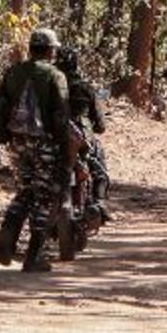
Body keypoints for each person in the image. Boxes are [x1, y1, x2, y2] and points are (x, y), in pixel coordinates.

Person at [0, 28, 71, 273]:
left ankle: (8, 231)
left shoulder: (13, 72)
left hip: (16, 143)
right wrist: (64, 148)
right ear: (50, 51)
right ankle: (34, 255)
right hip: (45, 144)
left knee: (24, 191)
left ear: (31, 48)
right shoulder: (55, 76)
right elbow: (61, 114)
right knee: (43, 196)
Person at [54, 47, 110, 220]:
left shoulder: (50, 87)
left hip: (54, 138)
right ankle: (100, 202)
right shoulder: (86, 88)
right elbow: (100, 126)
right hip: (83, 139)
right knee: (99, 168)